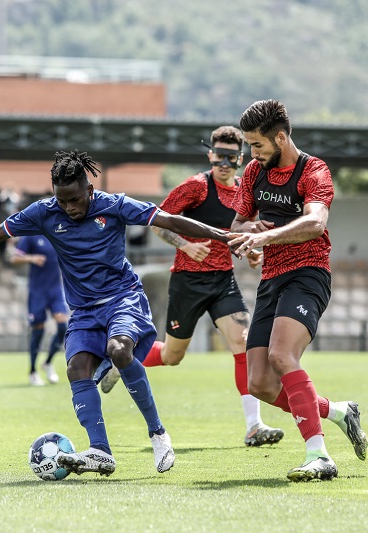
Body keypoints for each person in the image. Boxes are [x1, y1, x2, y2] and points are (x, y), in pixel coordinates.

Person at [0, 150, 235, 477]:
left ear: (90, 192)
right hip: (83, 310)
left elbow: (169, 220)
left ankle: (158, 434)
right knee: (76, 368)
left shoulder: (114, 205)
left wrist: (223, 236)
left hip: (122, 297)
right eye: (62, 201)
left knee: (119, 350)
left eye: (75, 200)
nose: (69, 208)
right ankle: (100, 451)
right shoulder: (44, 212)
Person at [101, 125, 285, 449]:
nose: (223, 163)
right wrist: (185, 245)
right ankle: (126, 361)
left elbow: (237, 234)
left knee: (242, 341)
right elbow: (158, 222)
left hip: (223, 280)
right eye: (218, 156)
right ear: (210, 155)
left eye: (230, 157)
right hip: (187, 280)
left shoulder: (244, 192)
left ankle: (254, 426)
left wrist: (251, 252)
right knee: (173, 356)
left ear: (240, 159)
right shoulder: (195, 187)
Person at [227, 100, 368, 482]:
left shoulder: (314, 170)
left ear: (281, 137)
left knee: (281, 355)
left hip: (308, 274)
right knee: (257, 383)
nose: (251, 154)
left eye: (256, 145)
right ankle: (339, 412)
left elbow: (314, 223)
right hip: (271, 279)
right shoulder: (255, 172)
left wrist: (268, 233)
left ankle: (319, 455)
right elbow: (239, 222)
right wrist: (249, 235)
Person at [11, 235, 68, 386]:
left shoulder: (56, 232)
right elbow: (14, 258)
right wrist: (31, 258)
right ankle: (33, 371)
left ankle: (48, 362)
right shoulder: (31, 236)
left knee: (63, 326)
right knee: (38, 330)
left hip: (55, 289)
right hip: (37, 291)